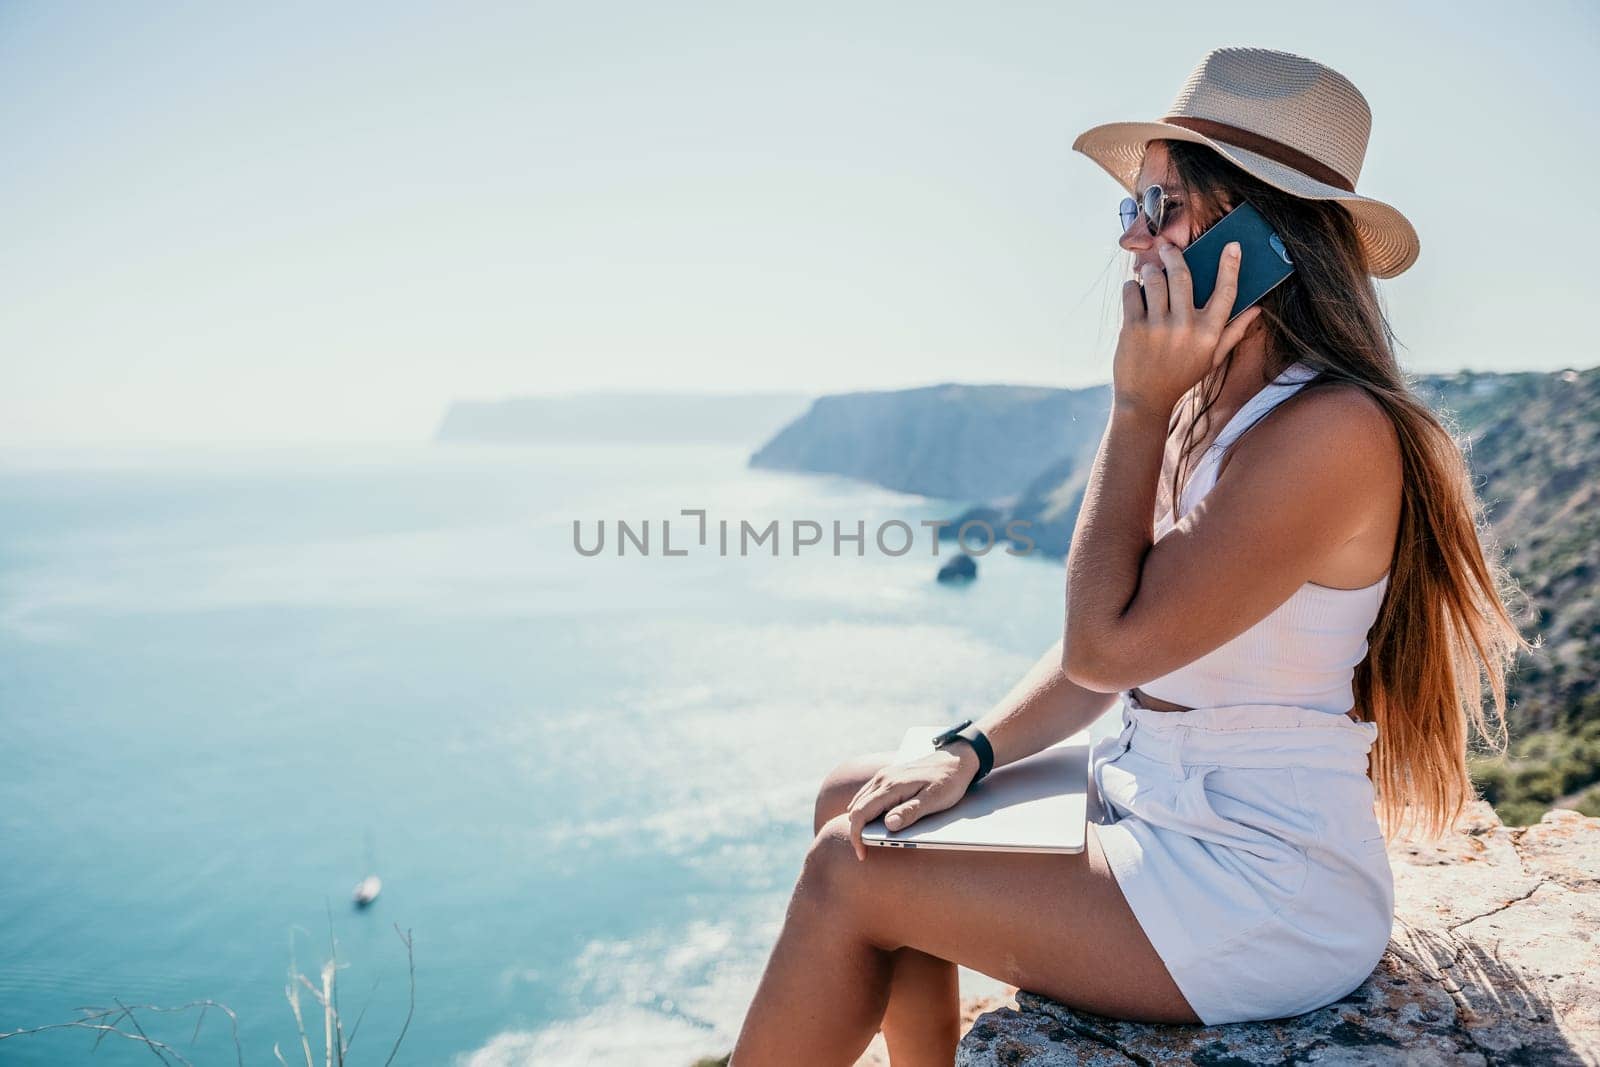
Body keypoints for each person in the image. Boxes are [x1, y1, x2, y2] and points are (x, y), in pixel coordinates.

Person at [729, 46, 1532, 1066]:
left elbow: (1108, 649)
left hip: (1257, 882)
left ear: (1256, 232)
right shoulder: (1213, 409)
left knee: (848, 871)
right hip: (1156, 797)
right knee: (860, 794)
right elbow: (1104, 648)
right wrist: (969, 746)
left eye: (1162, 207)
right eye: (1130, 209)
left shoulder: (1329, 430)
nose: (1133, 239)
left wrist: (1135, 404)